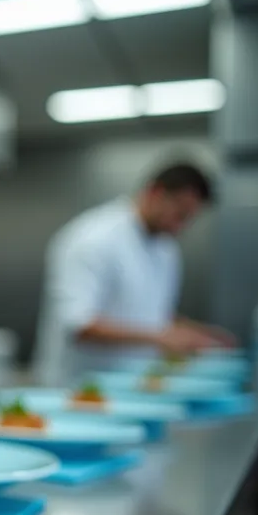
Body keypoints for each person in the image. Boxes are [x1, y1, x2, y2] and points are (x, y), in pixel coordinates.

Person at [33, 162, 234, 386]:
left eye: (188, 219)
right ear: (155, 193)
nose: (180, 226)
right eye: (179, 214)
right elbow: (80, 326)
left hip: (138, 385)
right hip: (79, 390)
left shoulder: (165, 248)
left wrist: (194, 333)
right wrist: (162, 337)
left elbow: (150, 315)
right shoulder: (92, 239)